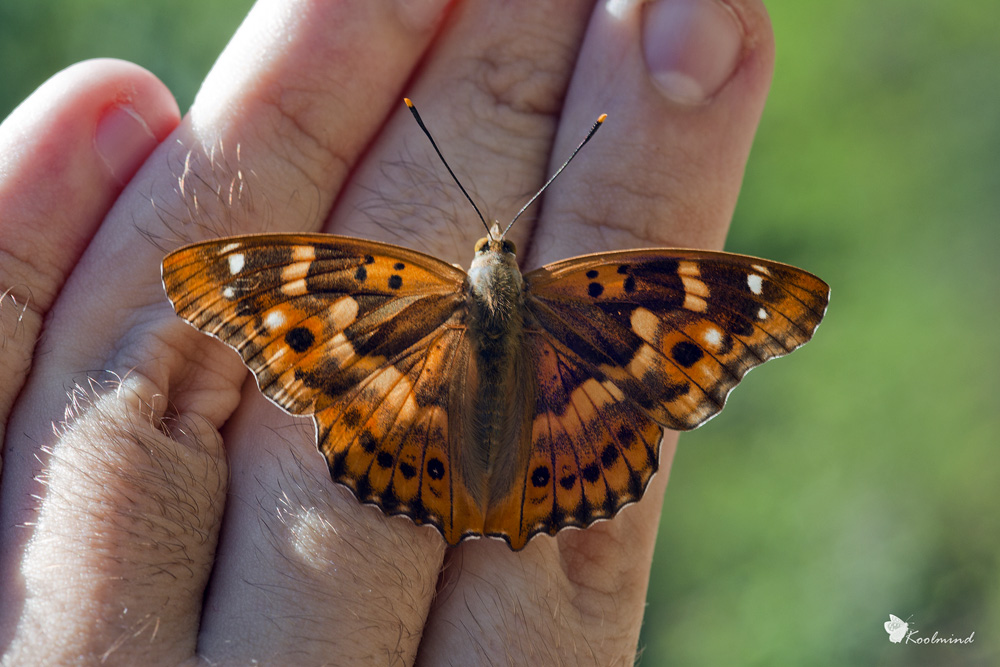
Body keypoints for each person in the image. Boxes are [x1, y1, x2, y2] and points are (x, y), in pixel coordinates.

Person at [0, 0, 775, 662]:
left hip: (414, 410)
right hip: (567, 419)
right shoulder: (606, 295)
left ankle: (449, 484)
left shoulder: (389, 288)